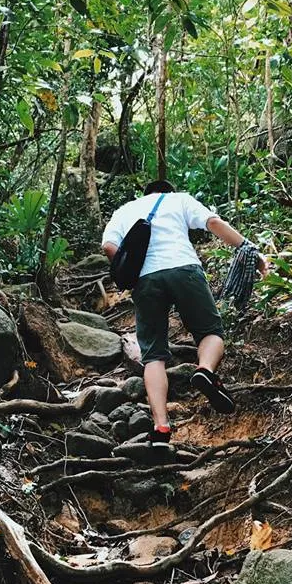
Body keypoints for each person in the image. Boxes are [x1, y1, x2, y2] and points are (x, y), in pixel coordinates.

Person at [101, 180, 267, 443]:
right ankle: (205, 370)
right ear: (168, 191)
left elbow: (109, 247)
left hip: (145, 280)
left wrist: (131, 271)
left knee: (153, 354)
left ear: (147, 194)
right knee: (210, 332)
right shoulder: (180, 199)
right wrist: (250, 250)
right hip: (185, 270)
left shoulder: (124, 211)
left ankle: (161, 426)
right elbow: (213, 223)